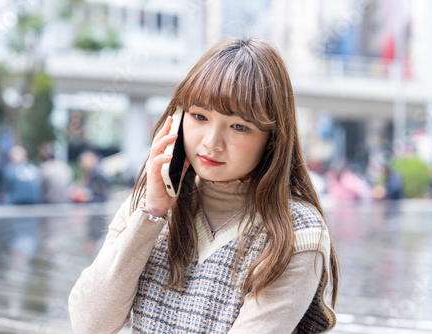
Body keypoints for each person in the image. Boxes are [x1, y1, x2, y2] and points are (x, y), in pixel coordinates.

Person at [69, 38, 339, 333]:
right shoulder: (146, 206)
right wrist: (152, 213)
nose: (211, 142)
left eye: (239, 126)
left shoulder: (296, 233)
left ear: (272, 138)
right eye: (199, 116)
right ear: (177, 119)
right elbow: (88, 325)